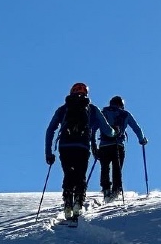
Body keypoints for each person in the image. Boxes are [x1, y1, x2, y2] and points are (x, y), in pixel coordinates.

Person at [44, 82, 116, 221]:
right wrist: (114, 133)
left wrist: (48, 153)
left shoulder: (63, 109)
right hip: (82, 146)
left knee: (68, 173)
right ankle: (78, 202)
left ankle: (67, 203)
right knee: (80, 174)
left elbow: (50, 130)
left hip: (65, 146)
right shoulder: (92, 109)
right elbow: (107, 129)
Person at [91, 95, 148, 201]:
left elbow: (93, 129)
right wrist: (142, 140)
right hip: (118, 145)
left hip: (104, 145)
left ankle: (106, 189)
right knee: (117, 167)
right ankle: (116, 189)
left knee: (104, 167)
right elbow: (137, 128)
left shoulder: (103, 113)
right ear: (121, 105)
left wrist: (93, 146)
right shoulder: (125, 114)